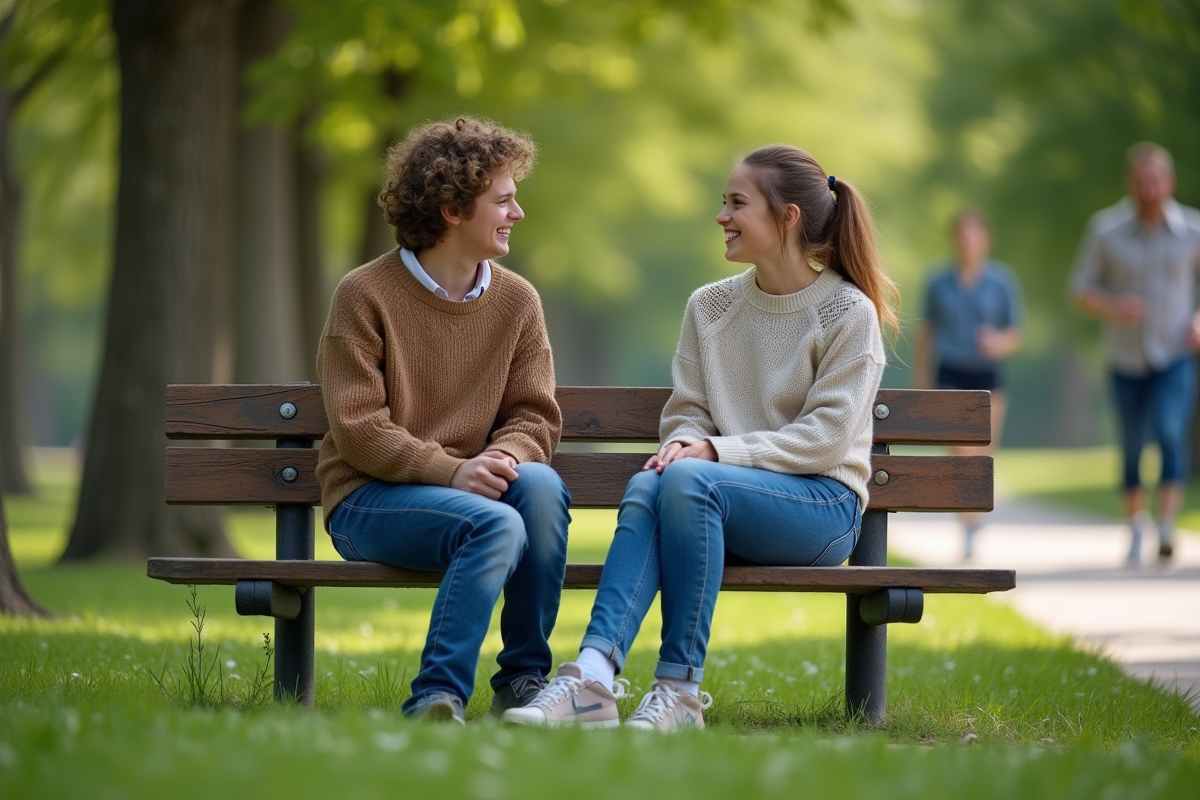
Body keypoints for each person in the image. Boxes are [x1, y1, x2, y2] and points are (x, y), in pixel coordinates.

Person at [505, 144, 898, 731]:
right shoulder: (709, 307)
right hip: (711, 502)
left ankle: (679, 689)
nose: (722, 216)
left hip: (819, 508)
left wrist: (714, 452)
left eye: (737, 203)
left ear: (787, 217)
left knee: (687, 479)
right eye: (723, 202)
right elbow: (688, 410)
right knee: (652, 482)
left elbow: (825, 437)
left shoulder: (847, 311)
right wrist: (682, 445)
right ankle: (591, 678)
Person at [316, 116, 571, 724]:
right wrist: (451, 470)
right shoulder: (364, 294)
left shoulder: (518, 301)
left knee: (538, 486)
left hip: (475, 488)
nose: (519, 213)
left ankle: (523, 681)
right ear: (454, 210)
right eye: (504, 200)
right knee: (496, 526)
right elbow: (357, 427)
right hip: (371, 498)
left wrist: (506, 458)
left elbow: (534, 414)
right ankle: (437, 695)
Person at [1071, 142, 1200, 565]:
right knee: (1130, 444)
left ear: (1169, 183)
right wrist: (1113, 305)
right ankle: (1135, 525)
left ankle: (1166, 525)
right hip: (1124, 357)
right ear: (1132, 183)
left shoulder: (1193, 231)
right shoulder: (1106, 230)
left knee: (1169, 431)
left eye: (1156, 181)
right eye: (1142, 181)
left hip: (1175, 353)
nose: (1149, 189)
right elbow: (1081, 290)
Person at [914, 210, 1023, 559]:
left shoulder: (1003, 281)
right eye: (962, 235)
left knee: (984, 455)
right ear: (954, 240)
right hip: (951, 372)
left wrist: (998, 342)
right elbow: (927, 333)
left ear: (986, 239)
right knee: (961, 452)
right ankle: (969, 525)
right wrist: (922, 380)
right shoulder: (937, 282)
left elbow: (1015, 334)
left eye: (974, 235)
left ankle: (973, 519)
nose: (968, 242)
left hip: (988, 374)